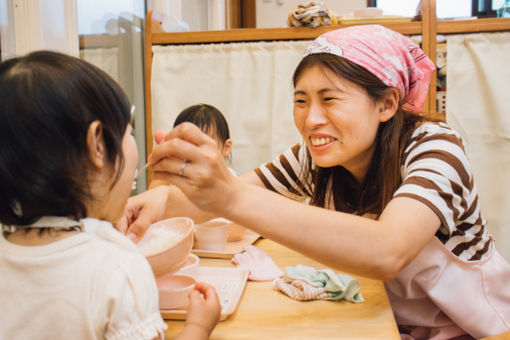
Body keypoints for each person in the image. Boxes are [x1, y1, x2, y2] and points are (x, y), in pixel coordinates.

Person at [124, 25, 510, 339]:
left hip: (474, 330)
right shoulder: (315, 157)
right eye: (302, 100)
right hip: (391, 325)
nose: (311, 121)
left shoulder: (436, 148)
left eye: (330, 99)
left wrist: (229, 196)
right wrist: (159, 202)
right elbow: (226, 193)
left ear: (387, 104)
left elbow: (387, 251)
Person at [0, 51, 220, 340]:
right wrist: (198, 327)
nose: (135, 142)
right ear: (98, 145)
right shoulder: (119, 269)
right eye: (129, 132)